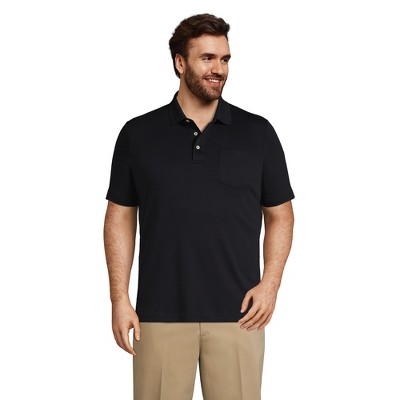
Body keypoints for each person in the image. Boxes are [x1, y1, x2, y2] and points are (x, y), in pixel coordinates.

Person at [104, 13, 295, 400]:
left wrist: (270, 284)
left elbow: (281, 215)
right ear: (180, 62)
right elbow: (119, 216)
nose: (218, 69)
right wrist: (119, 298)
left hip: (239, 315)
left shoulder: (257, 132)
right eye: (207, 58)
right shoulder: (138, 134)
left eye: (224, 59)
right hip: (158, 314)